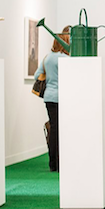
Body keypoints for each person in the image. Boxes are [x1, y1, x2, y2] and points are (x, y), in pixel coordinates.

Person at [34, 26, 70, 172]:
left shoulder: (47, 58)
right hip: (63, 98)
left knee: (54, 129)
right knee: (63, 129)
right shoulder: (67, 59)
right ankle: (62, 162)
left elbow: (37, 75)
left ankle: (52, 164)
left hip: (49, 97)